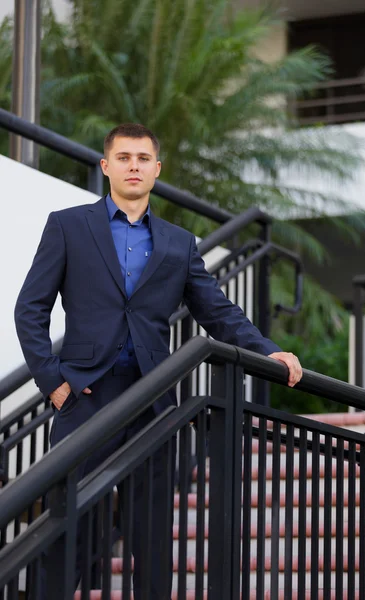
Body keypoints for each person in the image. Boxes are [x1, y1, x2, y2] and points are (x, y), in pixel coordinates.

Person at [14, 123, 302, 599]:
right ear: (106, 166)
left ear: (156, 169)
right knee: (70, 535)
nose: (133, 166)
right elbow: (30, 308)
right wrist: (53, 382)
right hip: (84, 398)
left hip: (153, 401)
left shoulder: (178, 243)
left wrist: (266, 350)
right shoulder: (67, 225)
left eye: (143, 159)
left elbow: (218, 311)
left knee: (151, 542)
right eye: (124, 157)